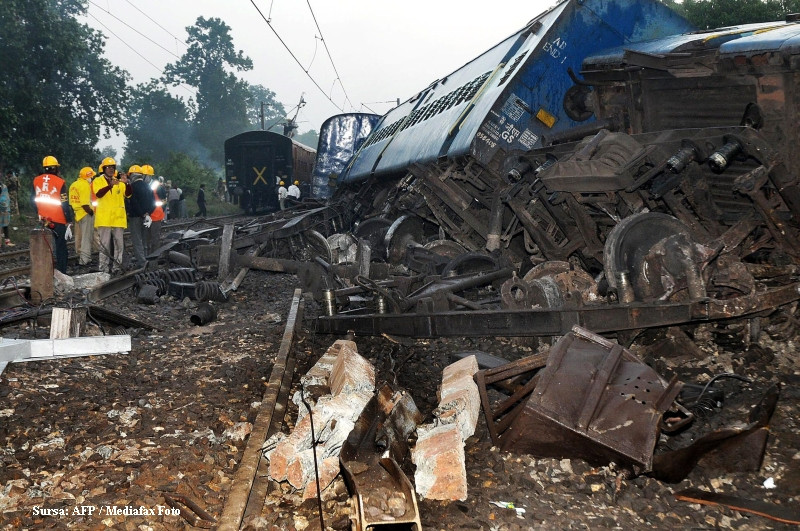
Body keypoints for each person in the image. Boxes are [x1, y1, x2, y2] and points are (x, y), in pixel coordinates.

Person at [34, 156, 73, 274]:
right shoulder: (60, 182)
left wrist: (39, 213)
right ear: (55, 168)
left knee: (45, 246)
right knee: (60, 247)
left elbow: (33, 200)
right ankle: (62, 272)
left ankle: (45, 271)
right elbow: (64, 202)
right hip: (59, 219)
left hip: (43, 219)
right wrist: (69, 220)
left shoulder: (36, 180)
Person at [93, 157, 131, 274]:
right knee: (104, 245)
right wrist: (110, 185)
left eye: (112, 167)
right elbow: (98, 194)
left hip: (118, 218)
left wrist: (127, 183)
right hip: (104, 218)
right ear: (104, 169)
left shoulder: (119, 182)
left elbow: (128, 194)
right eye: (108, 167)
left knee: (119, 244)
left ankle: (117, 267)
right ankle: (103, 268)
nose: (110, 170)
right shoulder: (98, 181)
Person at [124, 164, 155, 269]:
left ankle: (142, 262)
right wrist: (148, 214)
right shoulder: (148, 186)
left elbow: (133, 202)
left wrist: (142, 213)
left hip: (136, 217)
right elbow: (153, 202)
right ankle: (146, 258)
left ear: (132, 175)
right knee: (144, 239)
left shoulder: (132, 187)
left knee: (137, 240)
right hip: (147, 218)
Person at [68, 166, 95, 266]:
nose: (92, 179)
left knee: (79, 237)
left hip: (77, 214)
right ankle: (84, 259)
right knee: (87, 237)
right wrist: (91, 213)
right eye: (91, 176)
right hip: (85, 214)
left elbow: (71, 203)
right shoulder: (85, 185)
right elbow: (85, 204)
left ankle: (81, 256)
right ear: (88, 176)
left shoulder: (73, 185)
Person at [147, 172, 166, 255]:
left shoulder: (154, 186)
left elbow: (163, 201)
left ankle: (154, 257)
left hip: (154, 215)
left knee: (153, 238)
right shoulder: (155, 186)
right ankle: (152, 257)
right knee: (151, 239)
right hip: (150, 216)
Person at [0, 175, 12, 248]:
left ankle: (7, 241)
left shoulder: (3, 186)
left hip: (4, 209)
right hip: (3, 208)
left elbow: (5, 198)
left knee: (5, 225)